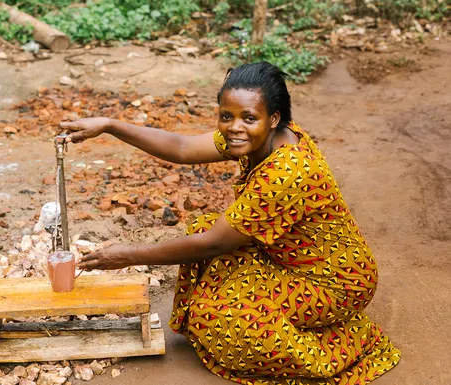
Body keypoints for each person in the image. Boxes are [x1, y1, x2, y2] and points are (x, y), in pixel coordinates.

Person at [59, 62, 400, 384]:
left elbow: (215, 243)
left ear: (273, 118)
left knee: (222, 321)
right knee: (203, 233)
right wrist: (110, 125)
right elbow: (181, 147)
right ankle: (301, 321)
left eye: (248, 117)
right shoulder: (258, 135)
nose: (234, 127)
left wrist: (128, 256)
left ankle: (344, 345)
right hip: (289, 258)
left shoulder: (286, 171)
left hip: (337, 281)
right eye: (226, 116)